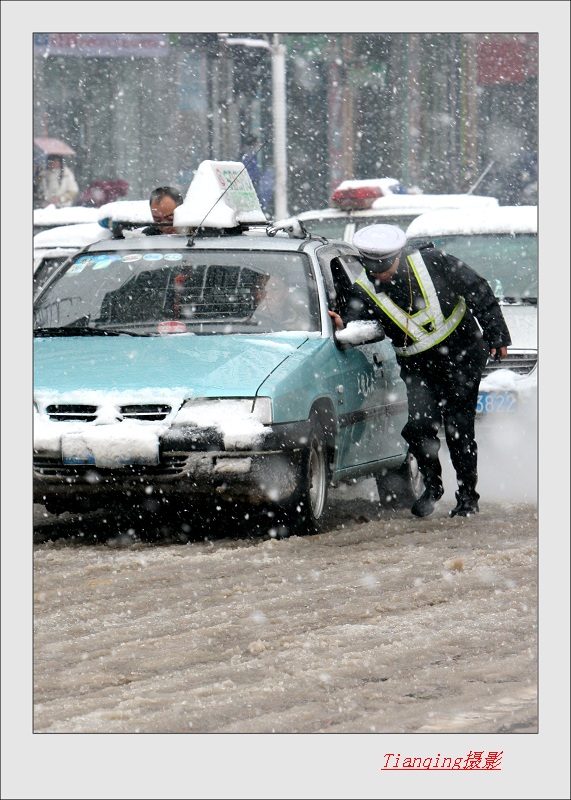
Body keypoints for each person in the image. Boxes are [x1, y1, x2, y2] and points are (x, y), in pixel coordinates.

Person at [329, 224, 512, 518]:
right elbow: (354, 315)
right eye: (373, 268)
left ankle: (467, 498)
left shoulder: (434, 261)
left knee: (458, 429)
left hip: (460, 356)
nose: (380, 275)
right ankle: (433, 486)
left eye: (385, 267)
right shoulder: (362, 286)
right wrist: (342, 323)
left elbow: (477, 288)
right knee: (417, 427)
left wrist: (497, 335)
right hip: (417, 366)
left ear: (398, 254)